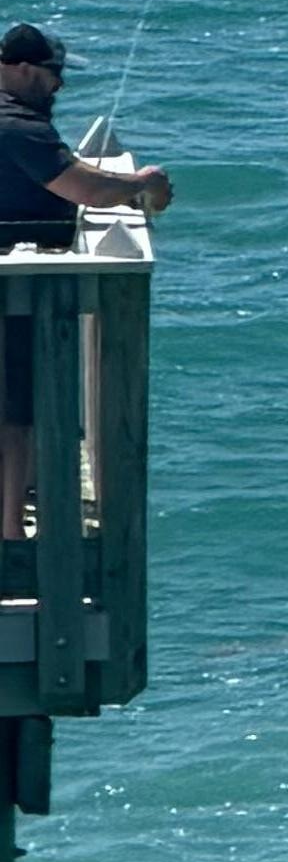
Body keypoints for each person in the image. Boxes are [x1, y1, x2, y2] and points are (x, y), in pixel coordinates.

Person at [0, 30, 169, 550]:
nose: (58, 87)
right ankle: (9, 534)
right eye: (54, 76)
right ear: (25, 69)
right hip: (15, 293)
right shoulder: (15, 125)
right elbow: (85, 188)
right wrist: (142, 184)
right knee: (16, 412)